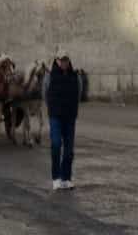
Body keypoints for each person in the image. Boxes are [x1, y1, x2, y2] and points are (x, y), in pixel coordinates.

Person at [46, 50, 81, 191]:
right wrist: (52, 109)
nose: (64, 62)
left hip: (69, 116)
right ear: (57, 60)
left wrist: (73, 110)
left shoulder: (75, 76)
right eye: (61, 60)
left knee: (68, 149)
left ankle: (66, 178)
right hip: (55, 116)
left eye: (66, 60)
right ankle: (56, 178)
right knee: (55, 144)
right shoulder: (50, 77)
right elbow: (45, 93)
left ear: (69, 60)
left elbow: (79, 94)